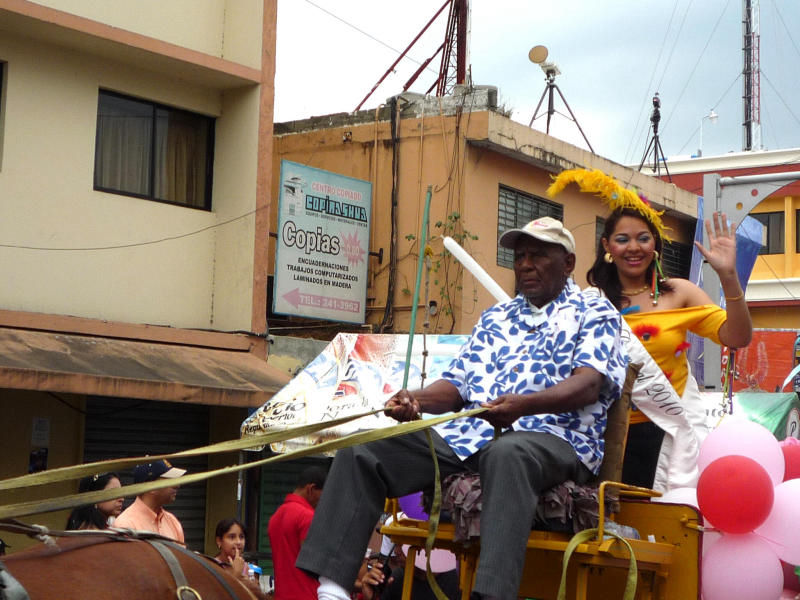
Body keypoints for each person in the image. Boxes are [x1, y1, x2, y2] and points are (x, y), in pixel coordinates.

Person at [296, 217, 626, 600]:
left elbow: (589, 384)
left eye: (538, 255)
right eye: (519, 256)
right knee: (364, 448)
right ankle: (333, 589)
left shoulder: (595, 312)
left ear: (568, 263)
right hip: (472, 437)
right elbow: (456, 386)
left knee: (509, 452)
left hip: (556, 438)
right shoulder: (495, 319)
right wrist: (416, 399)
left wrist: (523, 407)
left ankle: (491, 595)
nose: (525, 265)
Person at [549, 168, 753, 488]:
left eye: (643, 238)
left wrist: (728, 277)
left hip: (667, 432)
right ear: (607, 245)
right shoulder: (590, 301)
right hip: (603, 434)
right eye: (623, 239)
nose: (634, 247)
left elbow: (738, 336)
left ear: (655, 244)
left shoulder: (679, 292)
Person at [267, 465, 328, 600]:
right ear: (311, 489)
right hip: (307, 595)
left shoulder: (275, 517)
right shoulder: (307, 516)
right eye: (322, 496)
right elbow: (315, 563)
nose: (322, 502)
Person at [114, 459, 186, 543]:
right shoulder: (125, 525)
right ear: (151, 487)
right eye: (170, 480)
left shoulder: (173, 521)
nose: (177, 485)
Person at [359, 544, 459, 600]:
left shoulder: (456, 582)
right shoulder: (397, 579)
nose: (396, 552)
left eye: (402, 545)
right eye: (396, 545)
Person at [214, 518, 266, 599]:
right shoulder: (213, 566)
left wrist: (254, 587)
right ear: (219, 541)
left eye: (241, 537)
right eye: (232, 537)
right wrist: (235, 575)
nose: (238, 542)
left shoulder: (246, 568)